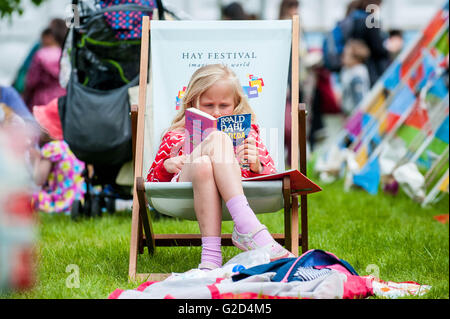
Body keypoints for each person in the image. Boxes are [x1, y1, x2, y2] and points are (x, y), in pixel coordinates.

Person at [146, 64, 294, 270]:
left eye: (224, 106)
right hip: (184, 186)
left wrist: (256, 166)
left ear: (236, 105)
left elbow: (272, 177)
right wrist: (167, 165)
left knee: (204, 164)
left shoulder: (247, 135)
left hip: (213, 181)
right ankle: (247, 226)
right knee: (217, 137)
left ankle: (211, 260)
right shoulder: (176, 136)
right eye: (208, 105)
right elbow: (150, 183)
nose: (216, 113)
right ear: (192, 102)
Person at [30, 99, 86, 214]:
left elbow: (39, 180)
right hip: (80, 196)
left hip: (64, 199)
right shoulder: (70, 144)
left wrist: (36, 160)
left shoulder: (51, 149)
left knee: (30, 196)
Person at [23, 26, 67, 111]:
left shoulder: (40, 55)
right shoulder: (65, 54)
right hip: (62, 98)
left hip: (41, 99)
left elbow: (31, 81)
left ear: (48, 37)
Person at [340, 39, 371, 116]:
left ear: (356, 58)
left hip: (356, 114)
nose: (343, 57)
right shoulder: (346, 70)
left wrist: (357, 116)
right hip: (348, 112)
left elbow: (360, 98)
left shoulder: (358, 73)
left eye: (346, 55)